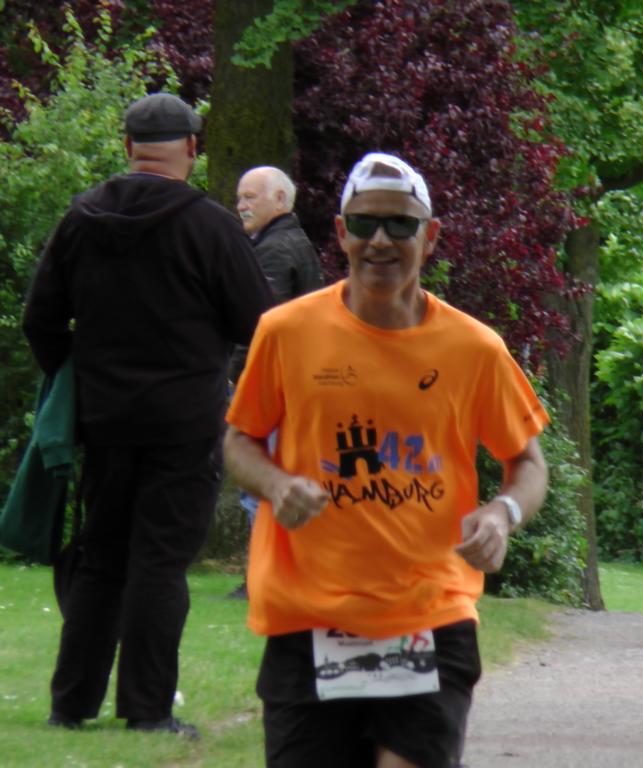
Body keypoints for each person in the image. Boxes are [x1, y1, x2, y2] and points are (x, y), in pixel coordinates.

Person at [223, 152, 549, 767]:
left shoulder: (474, 348)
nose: (380, 240)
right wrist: (276, 483)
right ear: (340, 233)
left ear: (430, 237)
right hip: (308, 616)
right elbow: (239, 440)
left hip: (429, 612)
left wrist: (502, 514)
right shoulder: (286, 331)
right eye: (364, 223)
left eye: (400, 224)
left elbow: (528, 462)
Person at [22, 92, 274, 736]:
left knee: (101, 556)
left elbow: (41, 319)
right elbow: (261, 322)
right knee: (160, 560)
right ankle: (148, 708)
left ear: (129, 146)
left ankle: (69, 705)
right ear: (191, 147)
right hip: (185, 420)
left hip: (104, 419)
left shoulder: (81, 219)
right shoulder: (210, 226)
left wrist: (77, 377)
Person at [225, 165, 325, 599]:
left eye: (251, 196)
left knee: (259, 481)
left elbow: (261, 325)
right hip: (296, 383)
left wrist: (235, 374)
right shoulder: (295, 243)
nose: (241, 205)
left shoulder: (274, 250)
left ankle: (261, 577)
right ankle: (278, 572)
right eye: (239, 197)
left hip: (271, 386)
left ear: (281, 200)